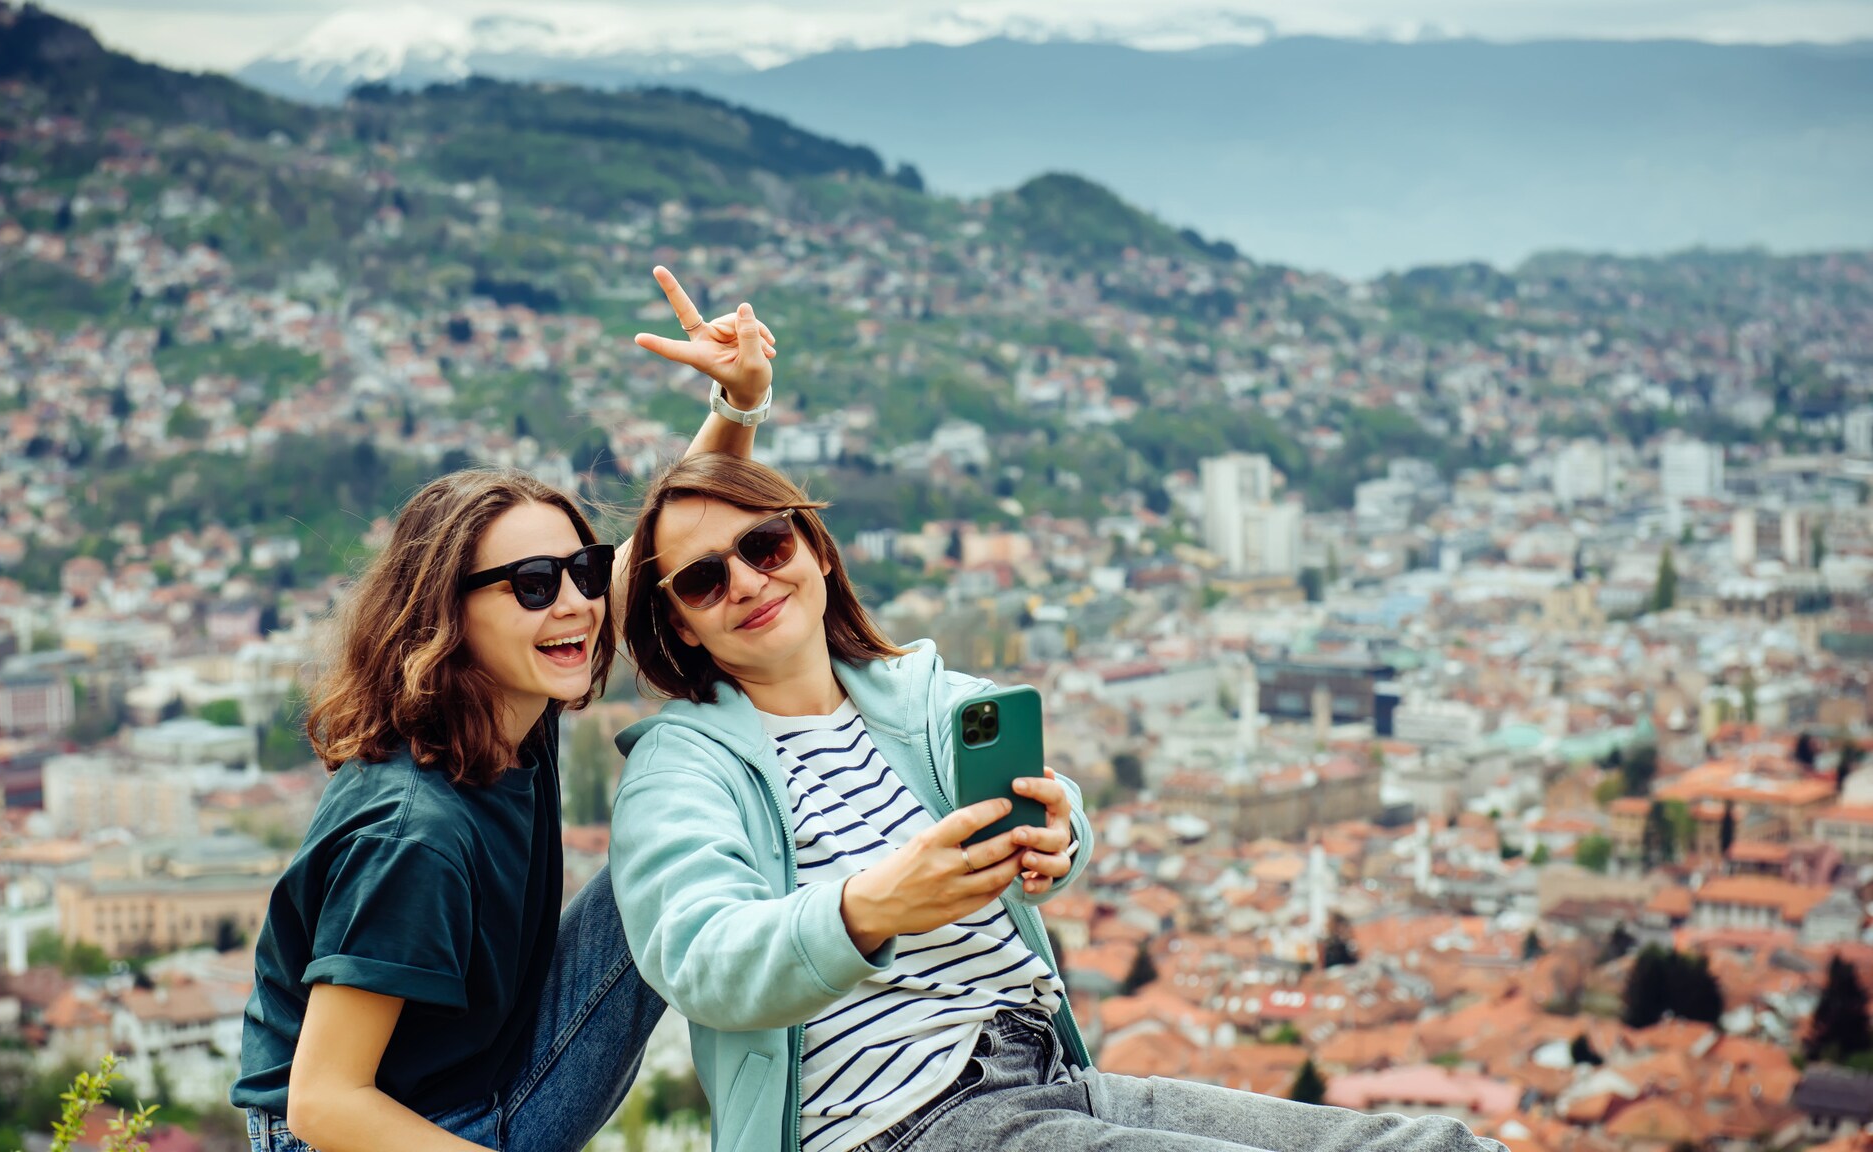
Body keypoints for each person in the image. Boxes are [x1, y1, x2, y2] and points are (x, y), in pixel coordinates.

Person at [607, 454, 1507, 1152]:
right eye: (702, 579)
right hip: (894, 1119)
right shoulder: (683, 767)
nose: (748, 583)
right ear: (680, 620)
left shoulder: (916, 696)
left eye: (764, 546)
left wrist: (1058, 828)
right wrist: (868, 908)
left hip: (1047, 1071)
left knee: (1436, 1142)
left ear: (813, 548)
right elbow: (694, 954)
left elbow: (1042, 793)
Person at [233, 267, 780, 1152]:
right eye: (532, 585)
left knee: (685, 841)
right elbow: (324, 1103)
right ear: (448, 616)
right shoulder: (415, 833)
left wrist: (738, 403)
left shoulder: (504, 702)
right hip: (382, 1134)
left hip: (475, 1076)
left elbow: (660, 550)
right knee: (692, 847)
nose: (574, 602)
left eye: (580, 571)